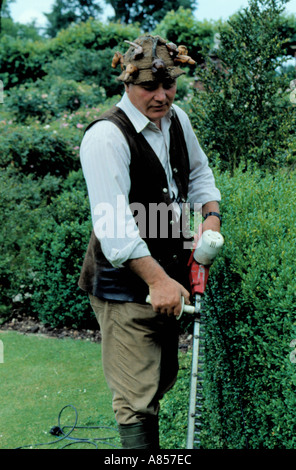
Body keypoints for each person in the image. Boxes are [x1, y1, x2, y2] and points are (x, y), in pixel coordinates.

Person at [78, 34, 221, 450]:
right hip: (126, 289)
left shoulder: (177, 120)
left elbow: (198, 174)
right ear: (127, 82)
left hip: (167, 279)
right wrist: (157, 281)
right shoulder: (105, 137)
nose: (161, 96)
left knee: (159, 380)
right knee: (136, 400)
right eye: (148, 87)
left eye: (169, 84)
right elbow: (115, 226)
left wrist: (209, 217)